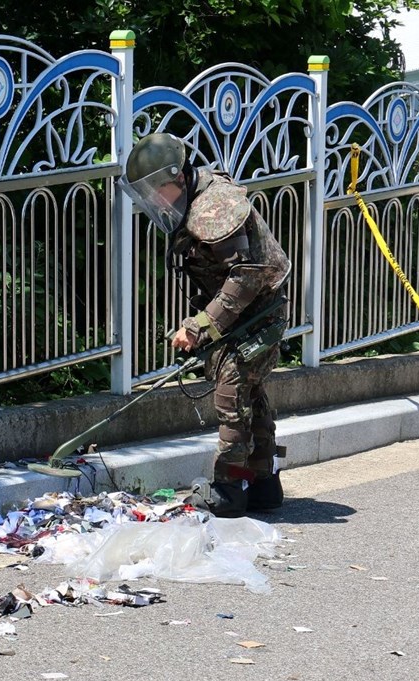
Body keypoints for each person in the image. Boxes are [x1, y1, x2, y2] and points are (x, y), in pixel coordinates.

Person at [120, 132, 291, 518]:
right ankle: (264, 484)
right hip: (246, 311)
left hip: (259, 311)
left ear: (177, 178)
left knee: (232, 397)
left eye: (155, 190)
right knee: (249, 394)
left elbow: (246, 277)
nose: (153, 199)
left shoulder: (213, 207)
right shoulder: (193, 199)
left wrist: (199, 325)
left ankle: (228, 490)